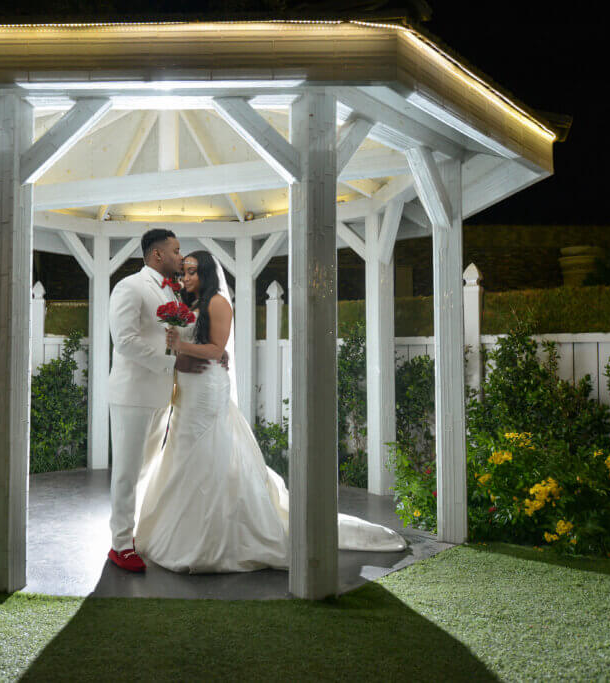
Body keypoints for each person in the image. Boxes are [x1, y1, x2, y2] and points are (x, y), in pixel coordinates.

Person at [133, 251, 407, 573]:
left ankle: (215, 538)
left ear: (205, 272)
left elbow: (217, 350)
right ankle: (179, 531)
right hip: (187, 389)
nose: (186, 277)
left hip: (207, 389)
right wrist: (174, 344)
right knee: (181, 454)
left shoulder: (218, 303)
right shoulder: (189, 306)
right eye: (184, 272)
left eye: (192, 271)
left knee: (206, 452)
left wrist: (181, 345)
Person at [105, 228, 186, 572]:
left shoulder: (173, 294)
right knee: (126, 471)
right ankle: (120, 545)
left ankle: (134, 534)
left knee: (145, 470)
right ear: (157, 255)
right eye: (176, 251)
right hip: (133, 394)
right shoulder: (130, 287)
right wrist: (170, 362)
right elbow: (124, 340)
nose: (181, 257)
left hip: (161, 396)